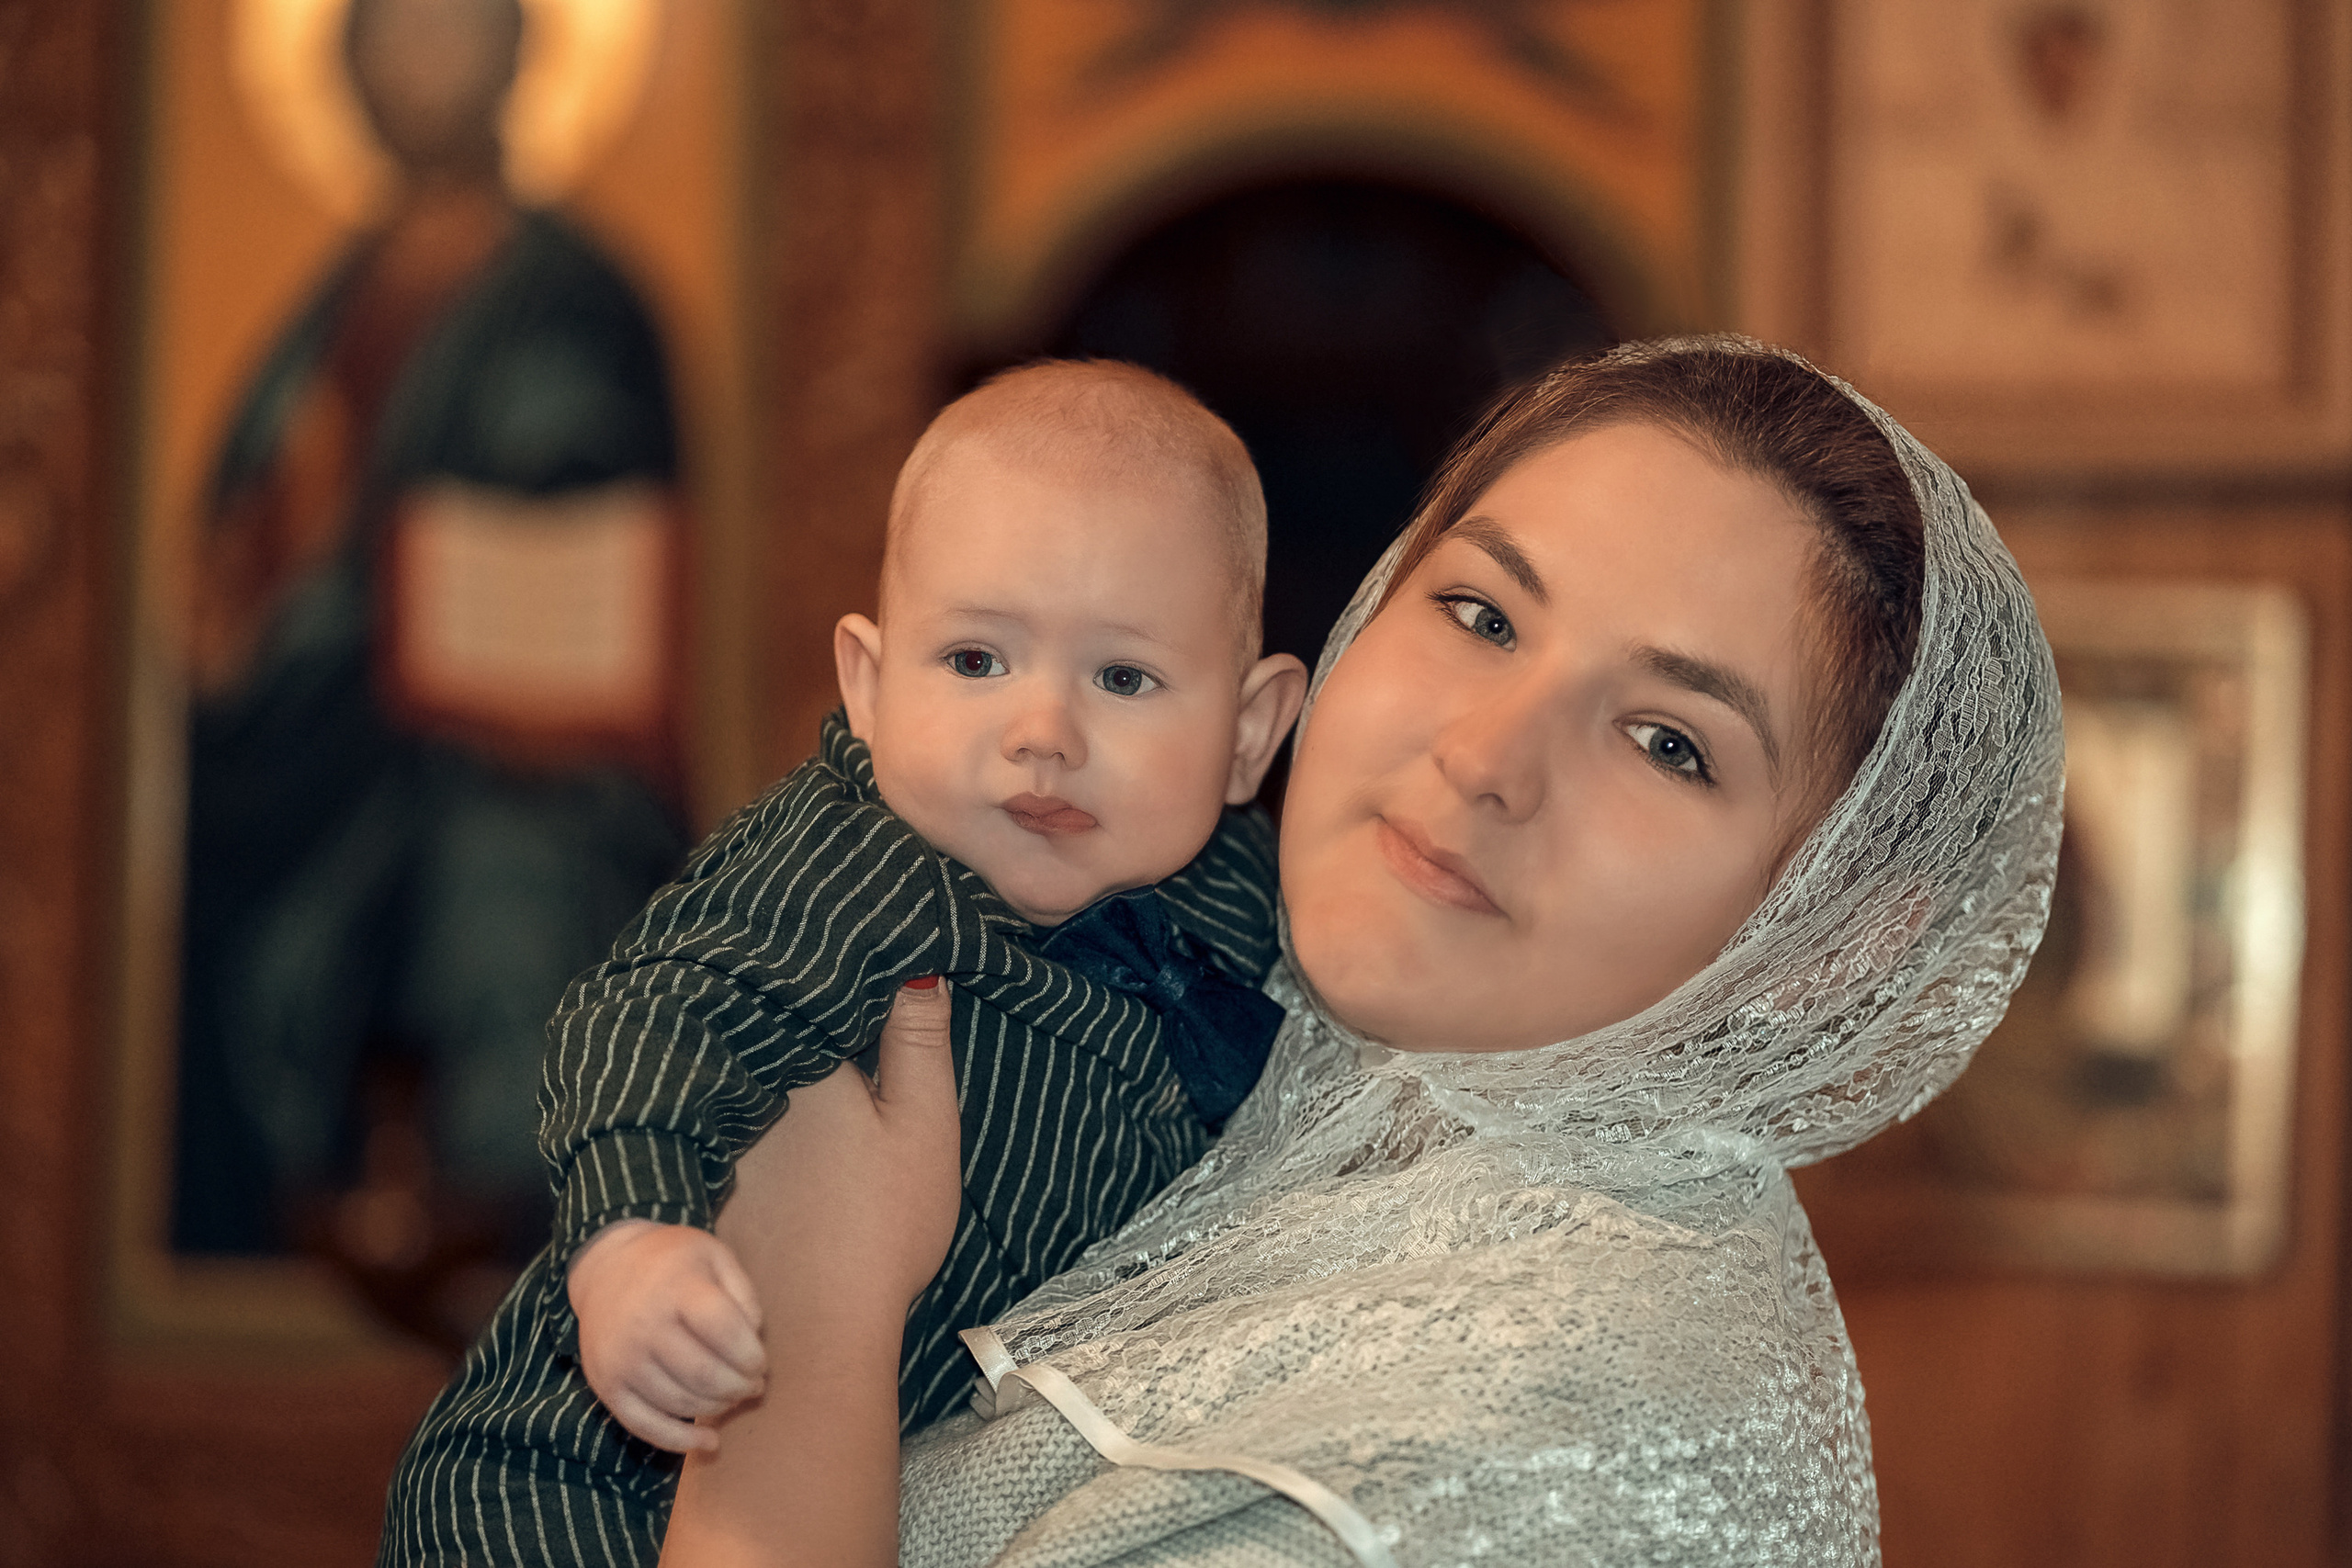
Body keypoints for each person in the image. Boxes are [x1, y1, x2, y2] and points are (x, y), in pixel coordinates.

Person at [658, 335, 2065, 1566]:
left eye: (1667, 742)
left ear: (1832, 942)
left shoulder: (1536, 1448)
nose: (1485, 758)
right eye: (1481, 615)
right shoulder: (1183, 979)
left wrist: (803, 1326)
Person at [377, 361, 1311, 1562]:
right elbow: (655, 1020)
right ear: (868, 688)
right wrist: (631, 1246)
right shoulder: (853, 863)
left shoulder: (1242, 896)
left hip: (883, 1474)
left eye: (1122, 677)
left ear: (1247, 735)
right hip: (587, 1475)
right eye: (975, 661)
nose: (1042, 734)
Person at [175, 0, 686, 1295]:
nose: (419, 60)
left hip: (514, 753)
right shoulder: (335, 303)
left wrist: (410, 554)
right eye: (390, 30)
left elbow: (590, 492)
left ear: (519, 51)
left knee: (504, 891)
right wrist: (271, 588)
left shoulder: (568, 290)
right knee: (249, 954)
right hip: (314, 746)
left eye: (450, 24)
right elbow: (254, 536)